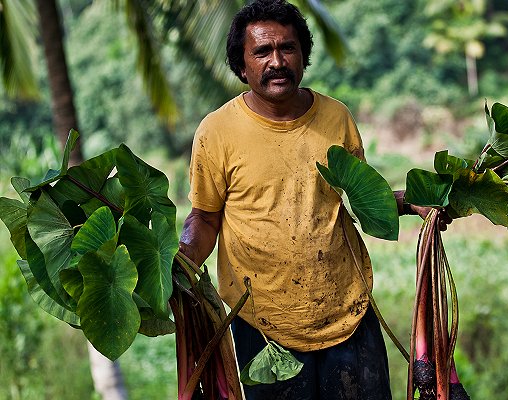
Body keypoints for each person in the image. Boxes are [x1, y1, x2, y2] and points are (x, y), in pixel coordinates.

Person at [179, 1, 448, 399]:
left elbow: (361, 199)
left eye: (287, 48)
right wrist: (180, 262)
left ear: (303, 56)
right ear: (241, 67)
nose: (277, 61)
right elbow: (205, 217)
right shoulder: (216, 132)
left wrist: (413, 203)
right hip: (263, 324)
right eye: (262, 52)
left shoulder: (336, 118)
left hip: (347, 313)